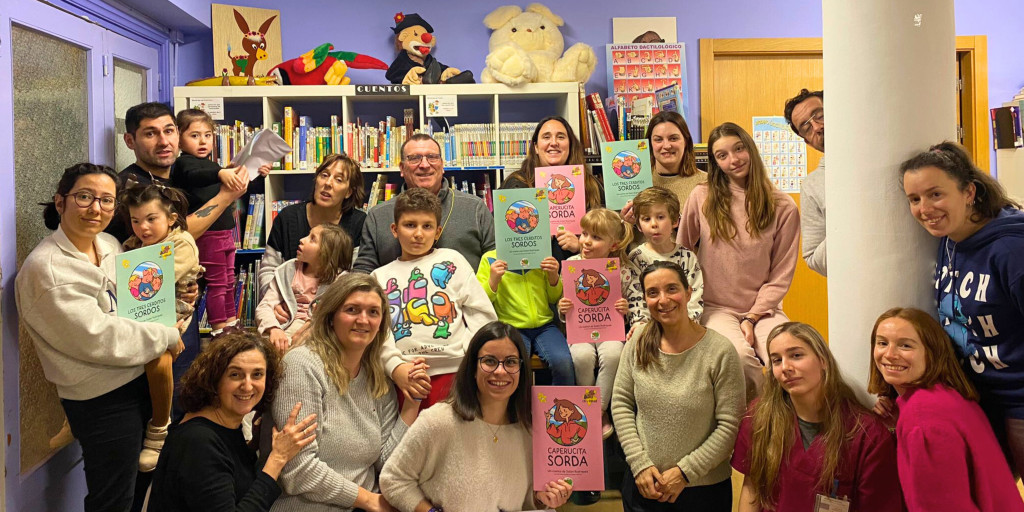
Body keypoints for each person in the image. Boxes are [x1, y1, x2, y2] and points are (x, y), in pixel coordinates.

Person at [15, 163, 184, 511]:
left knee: (142, 484)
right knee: (113, 498)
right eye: (85, 197)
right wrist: (165, 334)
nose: (97, 208)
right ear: (60, 202)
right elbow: (100, 337)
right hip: (102, 398)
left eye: (107, 200)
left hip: (140, 378)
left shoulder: (108, 244)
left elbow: (135, 302)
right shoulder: (47, 270)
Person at [900, 141, 1024, 477]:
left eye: (935, 194)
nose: (925, 208)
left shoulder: (1011, 250)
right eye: (914, 199)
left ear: (969, 192)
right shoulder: (949, 240)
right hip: (977, 396)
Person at [379, 321, 574, 512]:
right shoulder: (437, 421)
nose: (500, 371)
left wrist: (542, 499)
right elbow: (392, 480)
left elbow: (524, 503)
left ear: (522, 370)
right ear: (473, 367)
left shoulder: (530, 432)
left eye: (511, 362)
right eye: (489, 361)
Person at [270, 273, 421, 512]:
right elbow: (297, 470)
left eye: (373, 312)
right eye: (352, 309)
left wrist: (412, 405)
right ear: (331, 317)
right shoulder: (302, 365)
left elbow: (384, 461)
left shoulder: (377, 376)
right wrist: (369, 500)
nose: (364, 320)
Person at [677, 121, 800, 400]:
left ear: (750, 149)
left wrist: (753, 316)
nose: (733, 160)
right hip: (716, 307)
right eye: (722, 155)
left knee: (789, 357)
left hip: (764, 309)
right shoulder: (702, 196)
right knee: (741, 359)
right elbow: (682, 252)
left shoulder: (783, 206)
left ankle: (785, 424)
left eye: (739, 149)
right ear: (715, 162)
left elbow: (781, 274)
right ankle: (754, 426)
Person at [611, 261, 745, 511]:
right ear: (645, 299)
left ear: (688, 292)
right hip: (644, 487)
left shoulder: (720, 352)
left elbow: (730, 424)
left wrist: (685, 473)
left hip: (704, 492)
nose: (663, 300)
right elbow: (621, 404)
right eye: (653, 293)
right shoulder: (637, 342)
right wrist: (639, 464)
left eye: (671, 289)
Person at [733, 322, 901, 512]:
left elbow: (879, 505)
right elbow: (752, 489)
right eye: (777, 360)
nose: (786, 367)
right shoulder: (759, 418)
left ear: (823, 360)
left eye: (796, 355)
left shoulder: (866, 434)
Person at [868, 308, 1024, 512]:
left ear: (932, 352)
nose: (889, 354)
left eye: (905, 345)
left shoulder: (923, 422)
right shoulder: (945, 395)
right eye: (882, 343)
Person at [149, 332, 317, 512]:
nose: (247, 385)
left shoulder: (225, 424)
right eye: (235, 374)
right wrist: (278, 459)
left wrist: (252, 446)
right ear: (214, 378)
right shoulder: (198, 441)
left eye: (257, 374)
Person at [372, 188, 497, 408]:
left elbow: (483, 314)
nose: (418, 233)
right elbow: (378, 332)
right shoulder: (379, 277)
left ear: (438, 232)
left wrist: (467, 356)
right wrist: (395, 367)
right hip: (403, 376)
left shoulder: (453, 261)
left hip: (455, 373)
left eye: (427, 226)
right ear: (394, 229)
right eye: (410, 225)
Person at [119, 180, 205, 472]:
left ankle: (159, 430)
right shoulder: (133, 245)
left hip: (173, 309)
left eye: (151, 219)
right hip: (140, 309)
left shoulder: (180, 242)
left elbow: (157, 278)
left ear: (170, 219)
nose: (143, 228)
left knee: (159, 361)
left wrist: (130, 275)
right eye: (135, 220)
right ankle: (73, 420)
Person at [175, 108, 270, 334]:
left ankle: (230, 322)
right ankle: (219, 328)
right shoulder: (184, 164)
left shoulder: (213, 165)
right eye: (194, 135)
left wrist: (257, 175)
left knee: (229, 281)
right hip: (207, 236)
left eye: (207, 135)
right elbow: (194, 176)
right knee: (217, 284)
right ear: (178, 139)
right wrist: (221, 173)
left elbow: (237, 191)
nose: (202, 141)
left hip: (225, 234)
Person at [558, 208, 643, 438]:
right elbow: (563, 301)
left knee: (615, 355)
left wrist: (624, 309)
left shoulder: (623, 271)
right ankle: (586, 409)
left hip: (609, 330)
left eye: (596, 238)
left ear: (613, 245)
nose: (585, 241)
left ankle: (599, 411)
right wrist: (562, 308)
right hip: (580, 331)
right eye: (584, 234)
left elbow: (635, 301)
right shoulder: (572, 264)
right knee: (582, 357)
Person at [355, 133, 494, 273]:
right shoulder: (378, 215)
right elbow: (363, 272)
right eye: (414, 158)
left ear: (442, 165)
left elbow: (495, 262)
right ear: (402, 168)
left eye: (432, 157)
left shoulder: (475, 208)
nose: (425, 165)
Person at [260, 154, 367, 296]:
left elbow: (355, 278)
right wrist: (277, 302)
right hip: (286, 304)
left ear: (348, 192)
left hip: (334, 307)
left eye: (338, 179)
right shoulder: (287, 217)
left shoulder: (359, 223)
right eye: (324, 175)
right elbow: (268, 270)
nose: (328, 183)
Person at [501, 115, 604, 258]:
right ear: (536, 147)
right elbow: (501, 238)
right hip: (532, 275)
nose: (554, 143)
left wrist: (581, 245)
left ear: (570, 145)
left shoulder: (590, 185)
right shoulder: (516, 184)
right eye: (546, 137)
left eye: (561, 137)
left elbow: (608, 237)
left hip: (576, 274)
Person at [476, 249, 575, 385]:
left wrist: (553, 277)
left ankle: (565, 405)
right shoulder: (489, 259)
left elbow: (553, 298)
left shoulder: (542, 254)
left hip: (545, 326)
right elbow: (481, 300)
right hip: (511, 328)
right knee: (515, 368)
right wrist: (493, 280)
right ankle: (518, 406)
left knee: (563, 363)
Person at [256, 224, 352, 353]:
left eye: (312, 239)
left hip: (316, 334)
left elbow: (335, 318)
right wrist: (274, 329)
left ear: (327, 252)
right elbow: (264, 306)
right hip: (282, 328)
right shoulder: (287, 272)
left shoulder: (340, 282)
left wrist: (308, 329)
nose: (302, 239)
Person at [627, 186, 703, 325]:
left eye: (660, 217)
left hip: (683, 325)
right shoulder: (636, 257)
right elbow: (635, 297)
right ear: (638, 225)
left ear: (675, 221)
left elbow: (695, 295)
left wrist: (688, 325)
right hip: (649, 326)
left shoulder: (687, 257)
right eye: (646, 219)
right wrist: (640, 325)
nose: (654, 224)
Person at [619, 111, 706, 226]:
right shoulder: (633, 180)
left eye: (673, 138)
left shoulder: (707, 183)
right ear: (649, 143)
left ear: (686, 141)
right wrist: (627, 224)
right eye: (658, 139)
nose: (666, 146)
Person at [784, 89, 826, 276]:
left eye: (820, 115)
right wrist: (845, 225)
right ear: (807, 142)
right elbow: (811, 257)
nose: (817, 127)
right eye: (806, 128)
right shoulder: (812, 185)